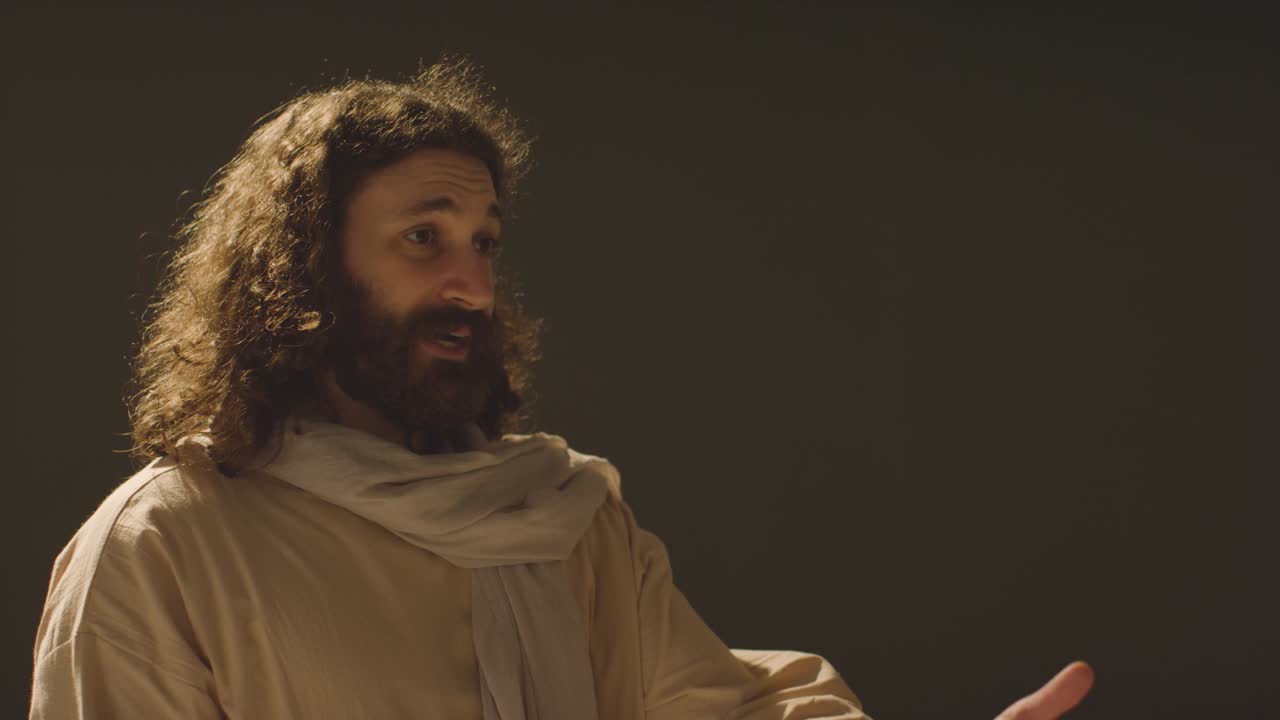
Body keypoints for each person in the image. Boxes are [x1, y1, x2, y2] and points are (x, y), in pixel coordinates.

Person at [29, 58, 1094, 719]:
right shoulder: (165, 547)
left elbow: (710, 710)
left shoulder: (559, 523)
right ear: (304, 269)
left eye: (484, 241)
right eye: (423, 239)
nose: (471, 284)